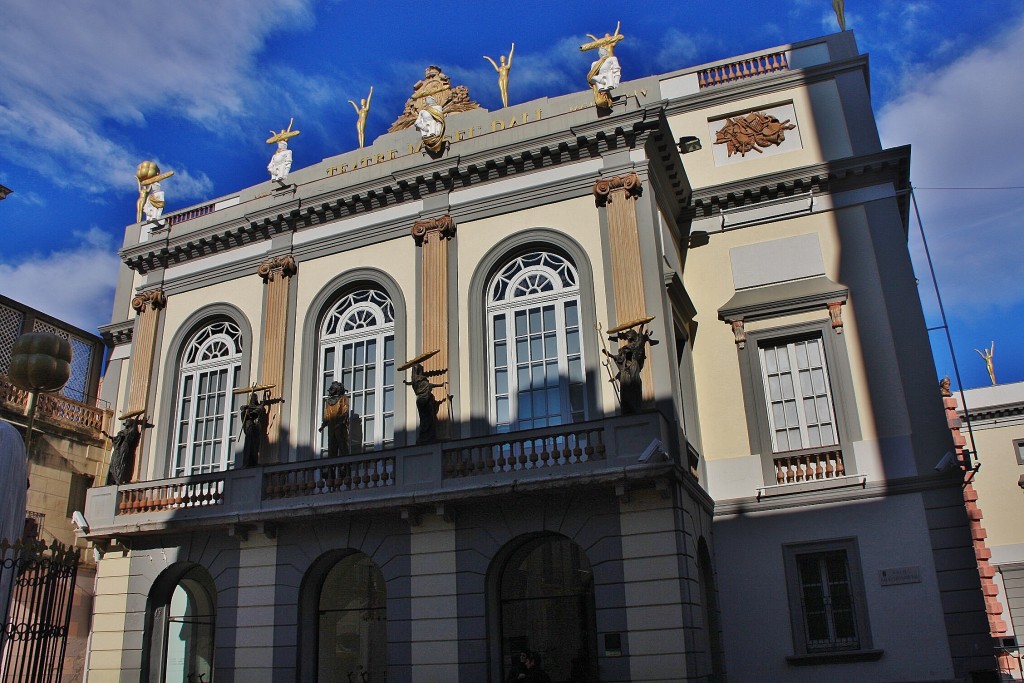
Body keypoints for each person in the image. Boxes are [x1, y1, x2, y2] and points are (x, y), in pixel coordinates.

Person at [604, 326, 659, 414]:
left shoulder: (636, 346)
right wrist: (610, 355)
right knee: (625, 390)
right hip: (625, 370)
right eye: (627, 337)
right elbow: (620, 358)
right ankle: (627, 409)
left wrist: (641, 328)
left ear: (633, 336)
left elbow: (640, 341)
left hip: (633, 368)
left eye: (629, 337)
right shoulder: (625, 348)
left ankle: (635, 408)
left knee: (634, 387)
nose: (628, 339)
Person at [102, 415, 154, 485]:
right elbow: (115, 439)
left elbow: (134, 430)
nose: (127, 426)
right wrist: (107, 436)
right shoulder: (122, 432)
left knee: (121, 464)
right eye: (126, 425)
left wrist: (136, 418)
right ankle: (114, 479)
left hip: (124, 450)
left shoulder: (131, 432)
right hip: (118, 451)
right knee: (114, 465)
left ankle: (119, 479)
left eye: (128, 424)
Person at [239, 390, 284, 467]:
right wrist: (245, 412)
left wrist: (252, 414)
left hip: (255, 428)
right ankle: (247, 463)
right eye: (251, 398)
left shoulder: (259, 407)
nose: (253, 400)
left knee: (254, 446)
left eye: (254, 398)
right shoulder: (247, 408)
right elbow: (243, 413)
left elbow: (258, 410)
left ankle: (253, 462)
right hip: (249, 429)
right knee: (248, 446)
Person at [404, 363, 447, 444]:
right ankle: (427, 437)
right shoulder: (422, 381)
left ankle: (424, 436)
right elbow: (430, 385)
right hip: (425, 401)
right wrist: (440, 385)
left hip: (420, 401)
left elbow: (411, 383)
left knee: (423, 419)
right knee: (428, 419)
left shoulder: (415, 381)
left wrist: (406, 383)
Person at [318, 381, 351, 458]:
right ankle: (331, 467)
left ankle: (345, 466)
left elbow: (345, 413)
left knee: (342, 444)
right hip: (331, 426)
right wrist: (323, 425)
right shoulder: (328, 401)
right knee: (331, 445)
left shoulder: (343, 399)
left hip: (340, 425)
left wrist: (341, 422)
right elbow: (327, 415)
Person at [484, 43, 514, 109]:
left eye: (503, 58)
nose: (502, 59)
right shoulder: (499, 69)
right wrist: (488, 58)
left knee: (505, 91)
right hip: (500, 78)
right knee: (502, 91)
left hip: (505, 77)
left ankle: (506, 105)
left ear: (505, 59)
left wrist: (512, 48)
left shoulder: (507, 66)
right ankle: (504, 105)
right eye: (501, 58)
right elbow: (494, 64)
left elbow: (510, 57)